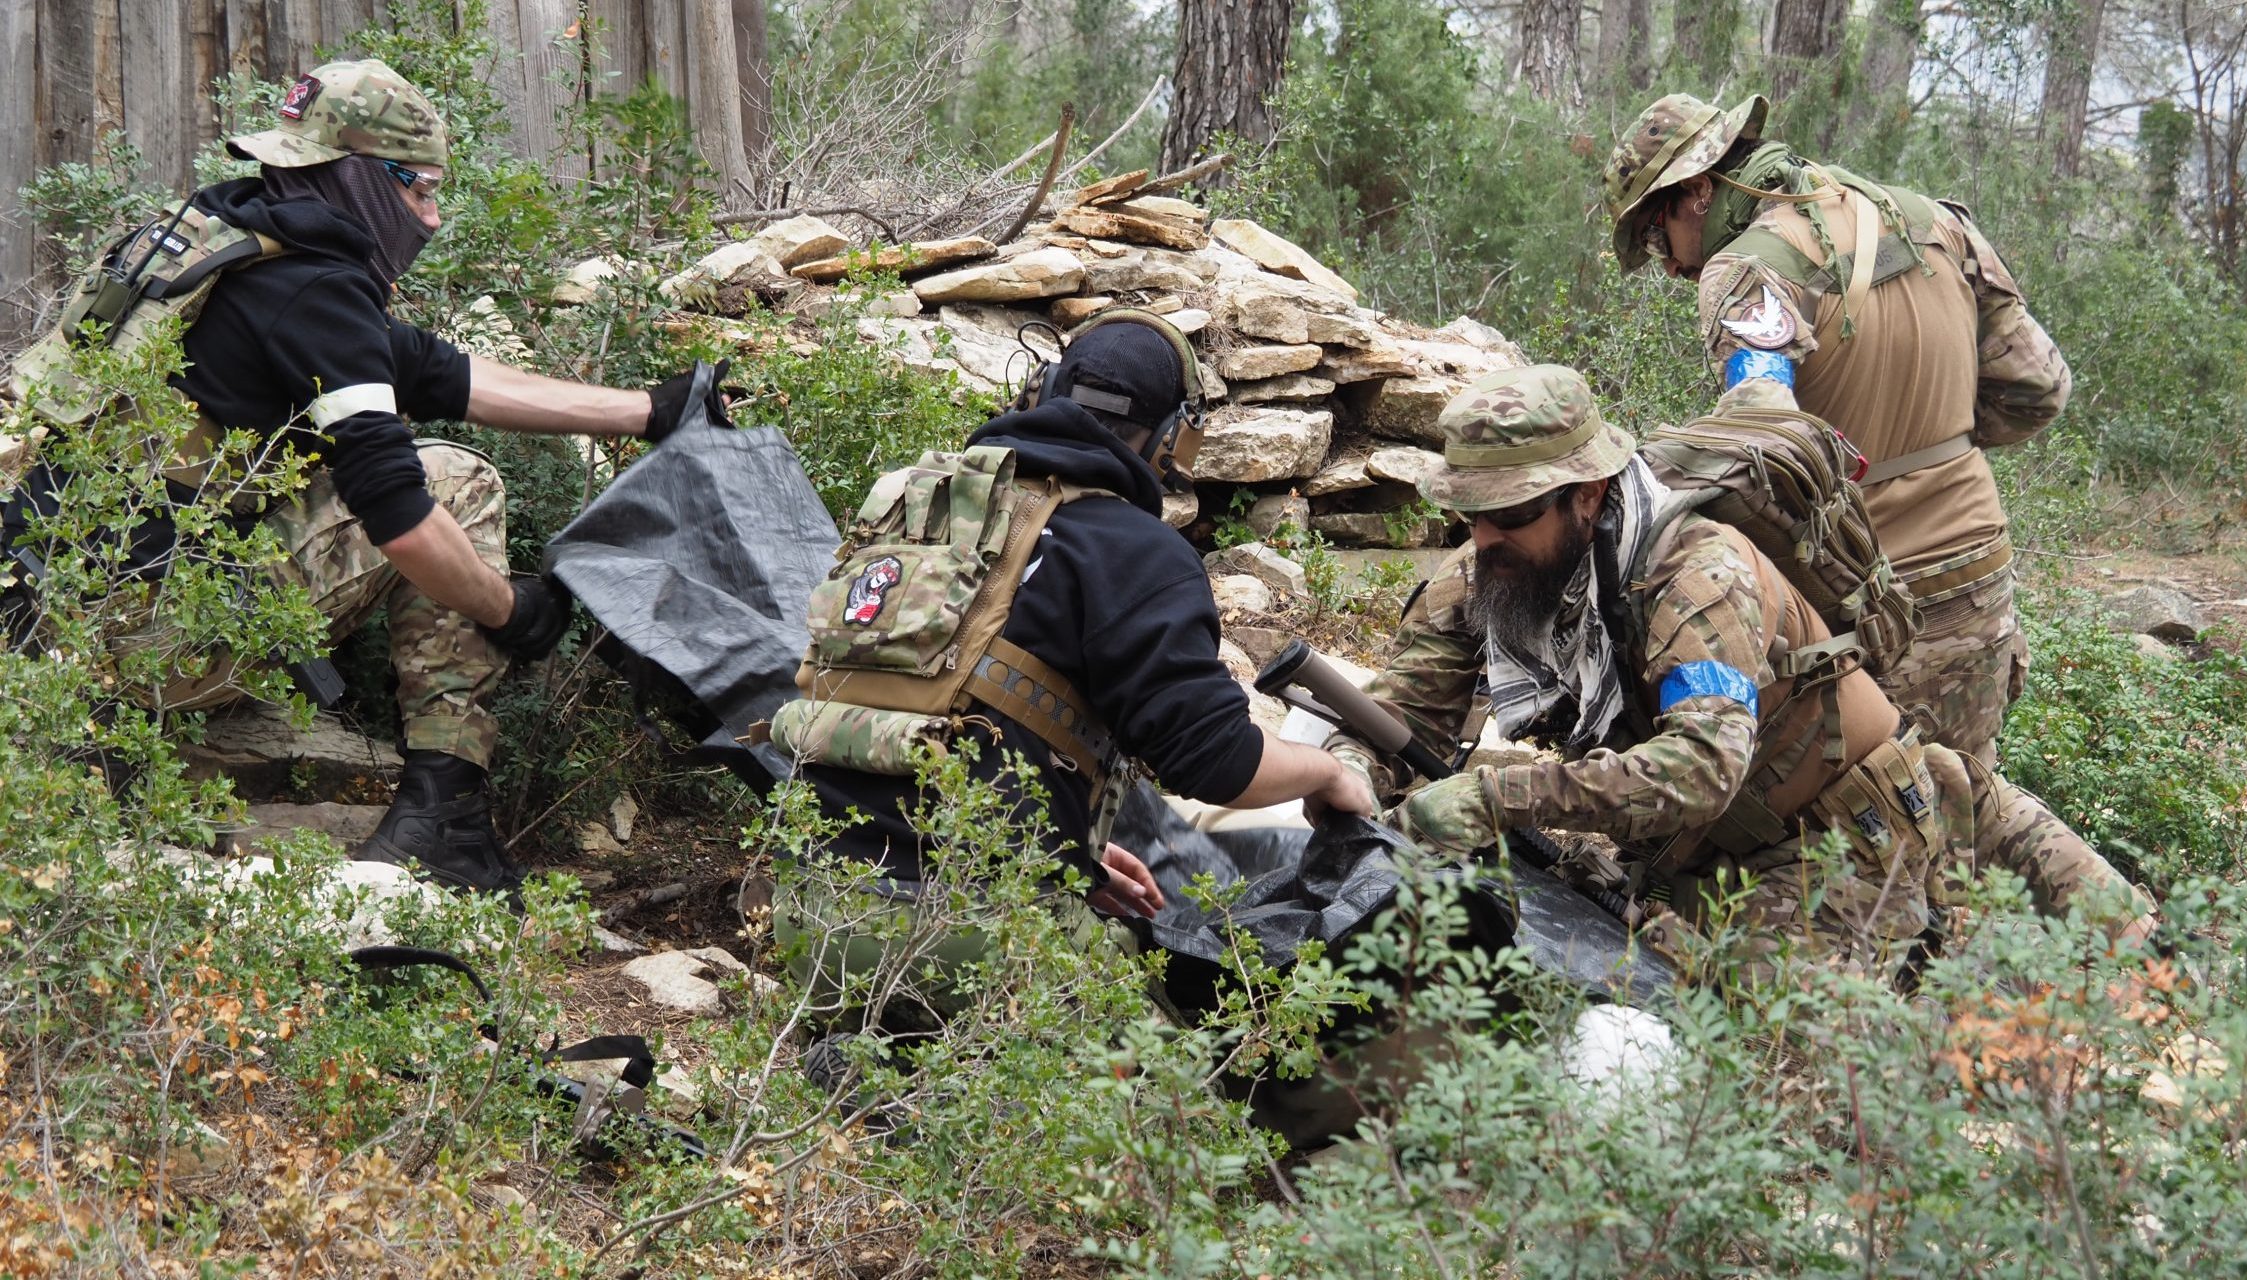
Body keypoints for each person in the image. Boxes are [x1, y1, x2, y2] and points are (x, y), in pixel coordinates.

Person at [1, 59, 732, 892]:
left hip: (43, 622)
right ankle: (442, 819)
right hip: (144, 645)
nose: (433, 216)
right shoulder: (312, 287)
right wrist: (511, 609)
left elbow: (431, 369)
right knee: (454, 481)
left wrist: (647, 411)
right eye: (421, 189)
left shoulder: (219, 242)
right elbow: (402, 522)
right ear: (357, 175)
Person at [1335, 365, 2150, 984]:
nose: (1484, 538)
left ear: (1587, 495)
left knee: (1772, 1073)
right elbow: (1402, 717)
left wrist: (1497, 797)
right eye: (1469, 512)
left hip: (1843, 837)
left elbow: (1701, 769)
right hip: (1701, 858)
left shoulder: (1696, 575)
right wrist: (1349, 774)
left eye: (1512, 513)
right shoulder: (1487, 576)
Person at [775, 310, 1375, 1021]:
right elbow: (1216, 761)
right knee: (1204, 1080)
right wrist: (1330, 773)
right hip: (972, 938)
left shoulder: (913, 506)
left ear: (1042, 389)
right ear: (1173, 439)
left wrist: (1071, 862)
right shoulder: (1132, 549)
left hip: (806, 915)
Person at [1601, 92, 2067, 772]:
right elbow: (2040, 387)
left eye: (1654, 236)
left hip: (1877, 602)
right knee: (1971, 801)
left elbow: (1764, 440)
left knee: (1870, 813)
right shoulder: (1932, 220)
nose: (1668, 266)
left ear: (1697, 191)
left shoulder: (1749, 270)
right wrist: (1932, 444)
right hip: (1981, 570)